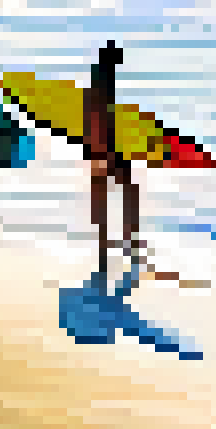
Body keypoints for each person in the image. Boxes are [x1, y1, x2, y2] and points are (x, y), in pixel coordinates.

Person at [84, 41, 140, 275]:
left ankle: (106, 245)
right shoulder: (103, 84)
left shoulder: (98, 83)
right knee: (128, 191)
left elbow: (92, 118)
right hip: (107, 146)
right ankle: (130, 242)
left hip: (99, 146)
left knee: (104, 197)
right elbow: (101, 118)